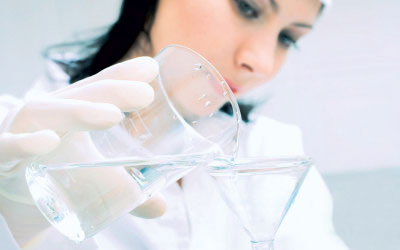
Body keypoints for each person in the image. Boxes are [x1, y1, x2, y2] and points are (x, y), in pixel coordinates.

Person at [0, 0, 349, 249]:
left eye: (287, 38)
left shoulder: (271, 152)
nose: (260, 61)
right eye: (248, 7)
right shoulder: (13, 144)